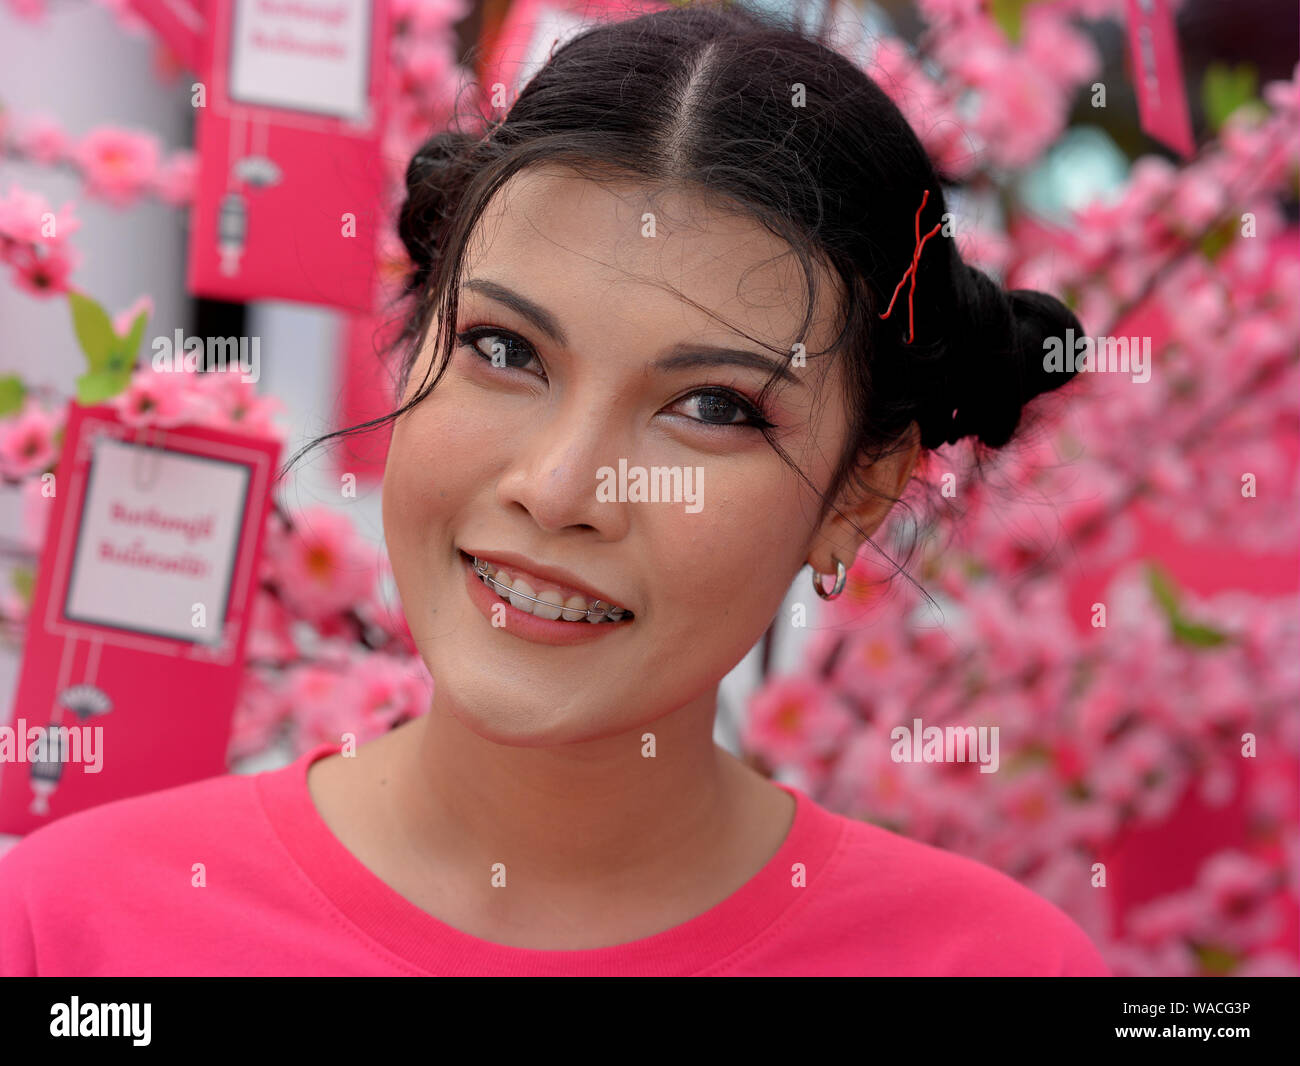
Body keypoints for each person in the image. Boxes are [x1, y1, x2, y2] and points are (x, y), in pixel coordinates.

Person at [0, 1, 1109, 976]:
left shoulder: (1000, 964)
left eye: (712, 406)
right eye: (505, 349)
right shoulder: (69, 932)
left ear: (859, 491)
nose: (560, 486)